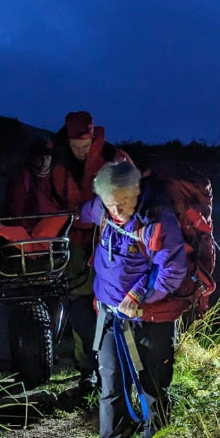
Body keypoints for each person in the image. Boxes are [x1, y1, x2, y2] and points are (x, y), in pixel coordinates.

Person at [79, 161, 188, 438]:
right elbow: (81, 212)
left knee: (152, 388)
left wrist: (139, 294)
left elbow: (171, 271)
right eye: (110, 203)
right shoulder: (103, 208)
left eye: (123, 202)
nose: (117, 210)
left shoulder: (160, 221)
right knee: (110, 387)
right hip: (110, 317)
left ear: (137, 191)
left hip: (149, 320)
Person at [51, 111, 133, 385]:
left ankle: (115, 367)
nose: (80, 151)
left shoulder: (113, 157)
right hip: (74, 240)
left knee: (110, 303)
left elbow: (131, 196)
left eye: (84, 146)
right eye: (75, 146)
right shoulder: (59, 160)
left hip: (108, 242)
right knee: (79, 304)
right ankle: (88, 367)